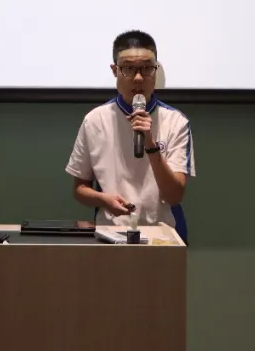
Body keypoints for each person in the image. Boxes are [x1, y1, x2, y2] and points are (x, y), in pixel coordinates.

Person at [64, 30, 196, 243]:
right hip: (111, 235)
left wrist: (150, 144)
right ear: (115, 70)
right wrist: (103, 199)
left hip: (163, 236)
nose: (138, 77)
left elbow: (174, 196)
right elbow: (80, 188)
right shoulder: (95, 120)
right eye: (128, 68)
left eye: (146, 68)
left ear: (155, 70)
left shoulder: (176, 122)